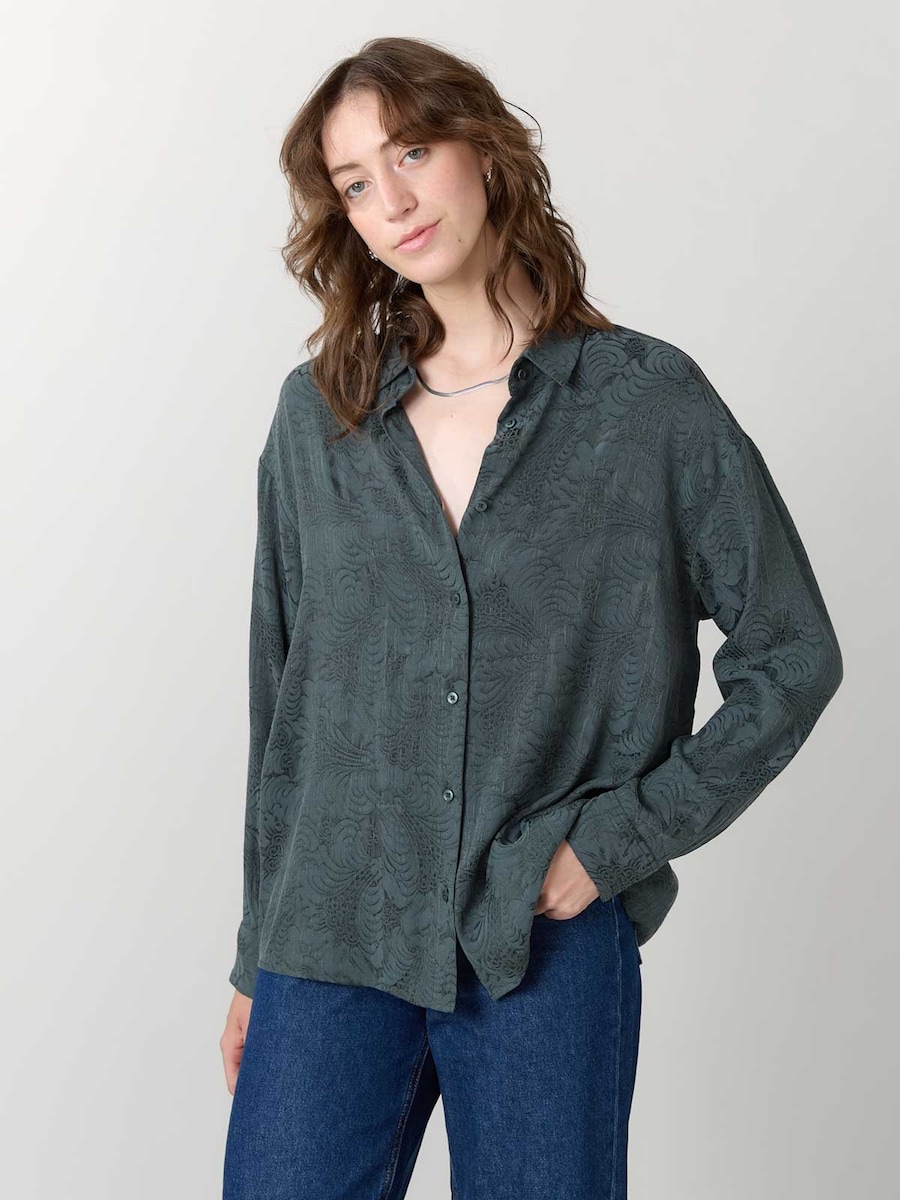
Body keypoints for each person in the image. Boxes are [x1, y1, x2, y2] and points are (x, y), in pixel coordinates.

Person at [220, 36, 843, 1200]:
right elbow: (284, 709)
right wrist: (257, 961)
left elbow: (793, 654)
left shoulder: (647, 406)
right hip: (331, 930)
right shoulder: (320, 419)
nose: (392, 199)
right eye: (355, 182)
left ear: (485, 149)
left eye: (412, 152)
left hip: (539, 943)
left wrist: (616, 841)